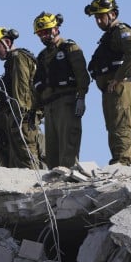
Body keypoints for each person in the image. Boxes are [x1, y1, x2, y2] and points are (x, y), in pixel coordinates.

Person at [85, 0, 131, 165]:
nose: (98, 21)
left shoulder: (121, 31)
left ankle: (123, 163)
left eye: (101, 16)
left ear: (112, 14)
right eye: (96, 17)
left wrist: (118, 78)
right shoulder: (110, 35)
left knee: (120, 126)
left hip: (121, 86)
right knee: (116, 126)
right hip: (113, 88)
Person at [32, 12, 90, 169]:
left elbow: (82, 75)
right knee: (52, 149)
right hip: (49, 106)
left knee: (68, 144)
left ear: (55, 29)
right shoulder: (42, 56)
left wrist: (81, 98)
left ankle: (69, 178)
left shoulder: (69, 48)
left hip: (67, 102)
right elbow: (37, 86)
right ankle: (53, 182)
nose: (43, 36)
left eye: (45, 32)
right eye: (39, 34)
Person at [0, 27, 43, 169]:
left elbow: (21, 91)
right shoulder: (11, 61)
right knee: (19, 160)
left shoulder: (17, 58)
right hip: (18, 116)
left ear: (7, 42)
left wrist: (19, 117)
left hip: (23, 117)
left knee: (27, 159)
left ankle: (36, 188)